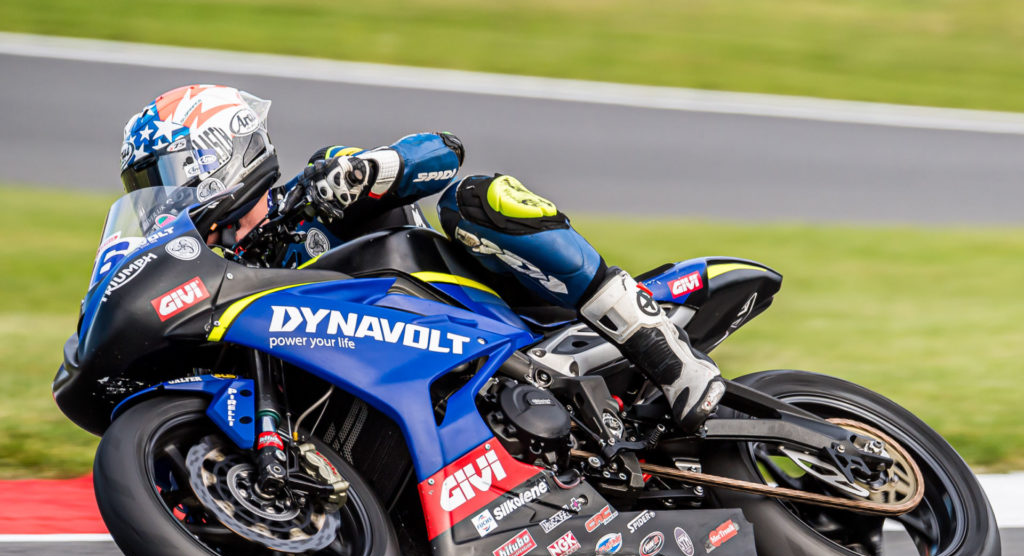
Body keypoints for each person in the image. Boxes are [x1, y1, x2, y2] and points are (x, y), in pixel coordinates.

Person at [120, 84, 724, 432]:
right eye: (148, 186)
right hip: (394, 382)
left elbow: (443, 152)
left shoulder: (314, 191)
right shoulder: (222, 277)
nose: (165, 196)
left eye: (170, 174)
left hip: (484, 316)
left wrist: (366, 172)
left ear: (223, 152)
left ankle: (656, 345)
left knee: (476, 198)